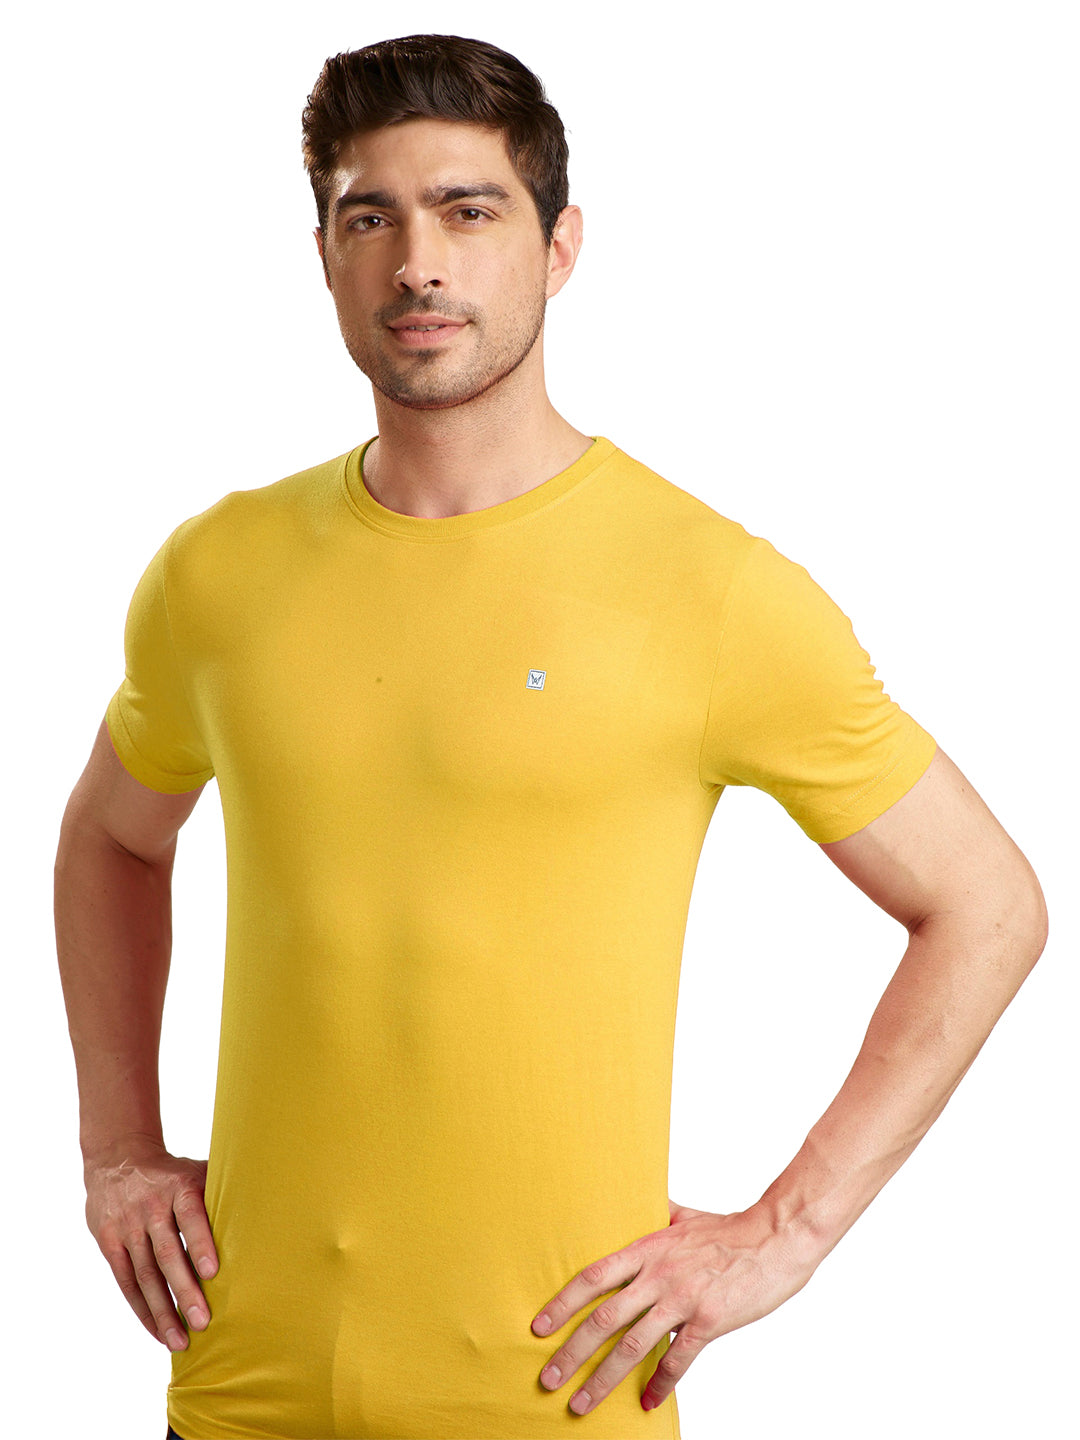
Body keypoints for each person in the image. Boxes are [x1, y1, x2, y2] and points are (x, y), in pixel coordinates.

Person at [54, 32, 1047, 1440]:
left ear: (560, 245)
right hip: (242, 1390)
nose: (419, 265)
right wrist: (117, 1152)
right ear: (324, 255)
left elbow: (988, 903)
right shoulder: (216, 573)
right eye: (370, 218)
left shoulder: (708, 590)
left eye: (468, 211)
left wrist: (785, 1234)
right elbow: (110, 836)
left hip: (555, 1397)